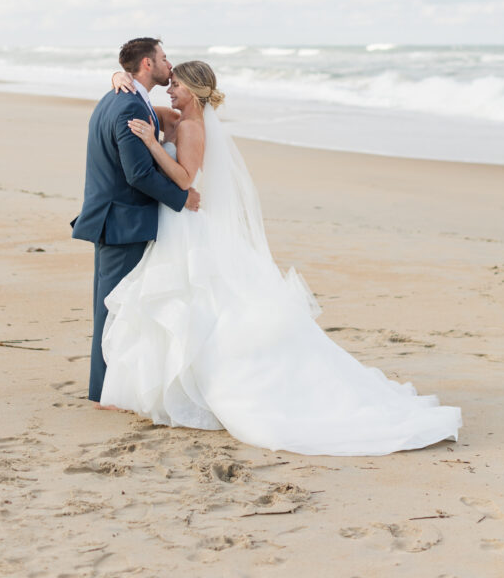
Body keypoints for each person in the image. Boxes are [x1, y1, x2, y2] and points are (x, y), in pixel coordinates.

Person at [100, 60, 462, 455]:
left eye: (177, 85)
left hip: (184, 221)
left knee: (197, 301)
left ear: (194, 90)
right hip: (177, 223)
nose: (169, 89)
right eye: (170, 83)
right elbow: (145, 105)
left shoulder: (190, 127)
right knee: (184, 302)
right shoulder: (178, 116)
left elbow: (186, 180)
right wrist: (119, 77)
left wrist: (153, 145)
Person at [71, 38, 200, 407]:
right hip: (121, 220)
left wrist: (116, 75)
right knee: (116, 309)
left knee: (112, 306)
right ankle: (106, 392)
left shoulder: (119, 97)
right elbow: (138, 174)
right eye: (163, 58)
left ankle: (107, 388)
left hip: (112, 218)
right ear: (146, 64)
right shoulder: (129, 103)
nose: (168, 64)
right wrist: (182, 197)